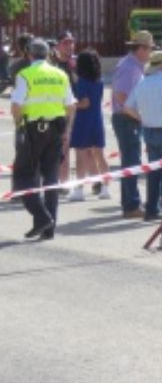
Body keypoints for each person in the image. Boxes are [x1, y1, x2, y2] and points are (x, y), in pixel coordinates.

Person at [10, 39, 76, 240]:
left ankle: (41, 216)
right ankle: (49, 228)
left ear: (29, 54)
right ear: (48, 54)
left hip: (32, 130)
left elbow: (16, 105)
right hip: (56, 130)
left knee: (22, 176)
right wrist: (66, 130)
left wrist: (18, 124)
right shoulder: (60, 74)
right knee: (51, 179)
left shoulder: (26, 75)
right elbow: (71, 105)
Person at [124, 50, 162, 222]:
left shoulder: (142, 83)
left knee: (154, 172)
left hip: (149, 130)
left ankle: (151, 209)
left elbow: (127, 107)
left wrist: (143, 118)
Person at [111, 30, 154, 219]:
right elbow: (121, 96)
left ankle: (130, 202)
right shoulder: (129, 67)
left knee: (132, 160)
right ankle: (131, 205)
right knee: (131, 162)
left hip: (130, 117)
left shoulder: (135, 66)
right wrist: (140, 116)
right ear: (141, 49)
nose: (151, 53)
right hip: (126, 118)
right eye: (150, 49)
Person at [67, 49, 111, 202]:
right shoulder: (99, 81)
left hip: (83, 120)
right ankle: (105, 187)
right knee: (100, 154)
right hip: (97, 119)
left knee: (81, 154)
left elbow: (85, 103)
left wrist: (72, 105)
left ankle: (79, 189)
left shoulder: (82, 82)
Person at [53, 30, 76, 189]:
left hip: (72, 111)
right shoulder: (52, 64)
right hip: (56, 111)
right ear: (58, 45)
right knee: (56, 149)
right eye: (65, 43)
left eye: (71, 42)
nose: (69, 46)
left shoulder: (75, 64)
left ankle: (64, 181)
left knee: (66, 148)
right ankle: (54, 181)